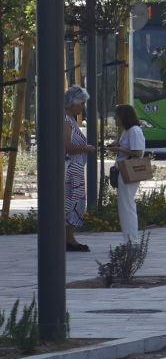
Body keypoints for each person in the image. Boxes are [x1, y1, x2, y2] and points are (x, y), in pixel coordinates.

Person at [62, 85, 90, 253]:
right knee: (74, 202)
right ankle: (69, 239)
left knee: (76, 202)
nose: (82, 108)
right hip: (72, 170)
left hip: (76, 169)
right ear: (72, 104)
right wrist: (86, 148)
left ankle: (70, 237)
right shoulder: (66, 121)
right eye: (81, 104)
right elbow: (67, 146)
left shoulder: (71, 120)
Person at [112, 103, 146, 244]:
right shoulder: (127, 131)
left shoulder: (134, 131)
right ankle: (128, 238)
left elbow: (138, 152)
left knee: (127, 206)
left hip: (129, 170)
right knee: (124, 206)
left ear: (124, 116)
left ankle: (132, 239)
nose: (115, 119)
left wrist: (119, 149)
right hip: (123, 170)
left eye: (117, 116)